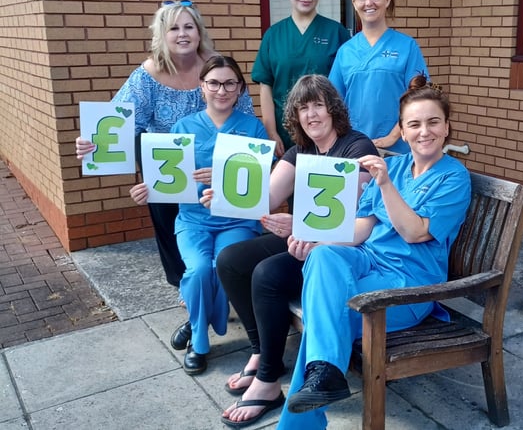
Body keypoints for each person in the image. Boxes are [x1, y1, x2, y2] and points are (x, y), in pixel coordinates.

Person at [277, 74, 472, 429]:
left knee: (324, 319)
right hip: (368, 263)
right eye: (414, 124)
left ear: (447, 127)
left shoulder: (453, 178)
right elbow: (361, 229)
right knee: (323, 258)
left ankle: (304, 413)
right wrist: (315, 241)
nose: (424, 131)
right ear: (402, 129)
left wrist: (383, 185)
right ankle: (324, 377)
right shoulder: (395, 165)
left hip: (409, 285)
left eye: (433, 122)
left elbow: (414, 233)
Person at [199, 74, 378, 428]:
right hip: (303, 235)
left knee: (267, 274)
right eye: (302, 108)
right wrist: (225, 197)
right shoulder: (301, 151)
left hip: (339, 250)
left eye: (317, 105)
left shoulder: (358, 148)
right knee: (231, 260)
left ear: (333, 109)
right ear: (294, 116)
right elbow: (264, 198)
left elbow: (347, 217)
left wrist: (297, 225)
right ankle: (260, 350)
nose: (311, 115)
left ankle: (268, 381)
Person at [75, 0, 255, 290]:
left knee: (218, 226)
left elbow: (244, 118)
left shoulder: (215, 67)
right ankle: (183, 284)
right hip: (164, 162)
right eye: (174, 28)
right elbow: (116, 121)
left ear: (199, 31)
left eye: (188, 26)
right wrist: (92, 144)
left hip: (211, 161)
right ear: (163, 34)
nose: (182, 34)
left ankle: (220, 283)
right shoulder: (147, 75)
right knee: (171, 228)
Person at [128, 55, 267, 375]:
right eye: (214, 83)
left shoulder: (252, 128)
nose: (222, 90)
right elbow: (169, 180)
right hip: (193, 220)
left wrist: (220, 180)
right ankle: (199, 338)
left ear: (240, 88)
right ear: (202, 87)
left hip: (237, 220)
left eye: (230, 83)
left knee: (222, 266)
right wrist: (148, 189)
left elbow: (259, 187)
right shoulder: (183, 128)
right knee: (199, 269)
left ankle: (195, 325)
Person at [328, 0, 429, 154]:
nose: (368, 3)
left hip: (398, 150)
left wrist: (392, 136)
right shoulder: (345, 52)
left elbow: (420, 99)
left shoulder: (407, 46)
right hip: (354, 148)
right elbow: (333, 103)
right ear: (353, 3)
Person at [251, 0, 350, 157]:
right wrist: (271, 132)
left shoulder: (336, 32)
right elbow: (265, 86)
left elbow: (346, 85)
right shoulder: (273, 35)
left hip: (326, 131)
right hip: (284, 133)